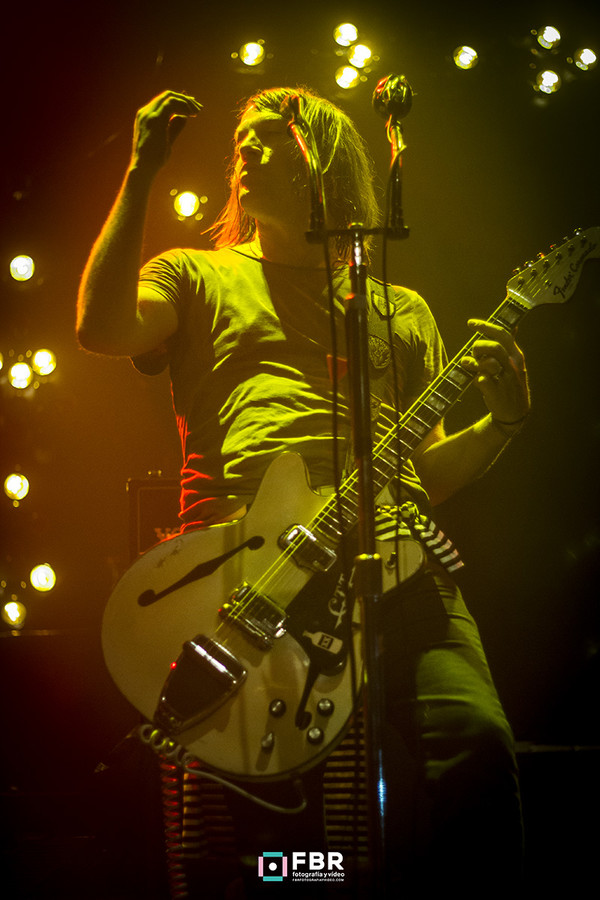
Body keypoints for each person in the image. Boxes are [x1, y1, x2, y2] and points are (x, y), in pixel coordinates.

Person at [77, 87, 530, 896]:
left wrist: (500, 424)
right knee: (258, 844)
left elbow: (423, 474)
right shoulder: (195, 273)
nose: (241, 153)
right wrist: (142, 169)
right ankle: (298, 884)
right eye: (239, 143)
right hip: (245, 573)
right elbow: (101, 328)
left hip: (392, 561)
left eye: (266, 140)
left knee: (476, 744)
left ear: (323, 156)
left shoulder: (398, 308)